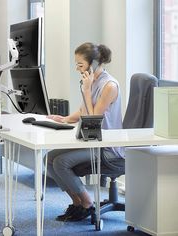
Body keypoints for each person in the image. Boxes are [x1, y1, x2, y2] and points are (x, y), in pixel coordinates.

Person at [45, 42, 124, 222]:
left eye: (80, 65)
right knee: (48, 158)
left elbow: (93, 118)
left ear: (94, 63)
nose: (77, 69)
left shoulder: (109, 86)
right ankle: (77, 203)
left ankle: (88, 204)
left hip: (107, 147)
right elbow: (83, 111)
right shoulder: (93, 82)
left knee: (61, 162)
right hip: (91, 141)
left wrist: (86, 90)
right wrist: (64, 119)